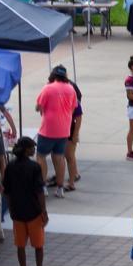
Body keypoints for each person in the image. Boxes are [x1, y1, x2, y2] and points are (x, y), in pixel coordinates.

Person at [2, 136, 49, 266]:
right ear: (26, 150)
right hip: (34, 213)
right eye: (31, 147)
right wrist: (44, 211)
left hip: (18, 213)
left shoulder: (10, 167)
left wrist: (11, 208)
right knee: (38, 246)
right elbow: (39, 192)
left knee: (20, 246)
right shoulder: (35, 167)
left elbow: (6, 191)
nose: (34, 149)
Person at [34, 67, 77, 195]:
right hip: (64, 130)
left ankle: (43, 187)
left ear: (53, 75)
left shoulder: (48, 88)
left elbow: (38, 107)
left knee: (41, 157)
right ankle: (60, 188)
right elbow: (73, 108)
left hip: (48, 129)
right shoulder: (71, 89)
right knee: (59, 158)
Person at [64, 71, 84, 189]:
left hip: (70, 128)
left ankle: (72, 179)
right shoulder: (70, 87)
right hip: (69, 126)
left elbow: (79, 116)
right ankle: (74, 174)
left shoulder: (70, 89)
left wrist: (76, 134)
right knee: (68, 155)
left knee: (69, 155)